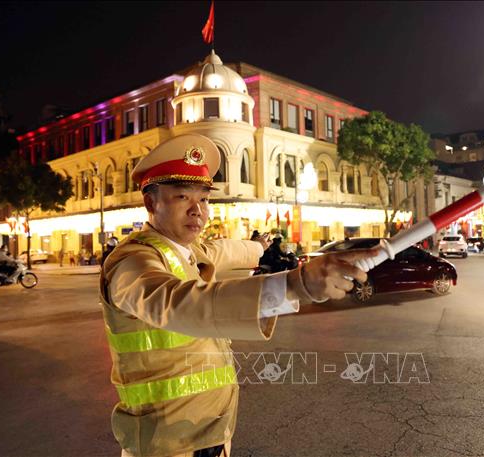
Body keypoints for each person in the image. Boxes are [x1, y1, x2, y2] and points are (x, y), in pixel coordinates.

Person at [101, 134, 377, 457]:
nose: (198, 211)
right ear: (152, 203)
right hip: (165, 445)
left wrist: (258, 246)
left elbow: (223, 250)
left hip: (212, 435)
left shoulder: (189, 251)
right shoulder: (134, 263)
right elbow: (183, 303)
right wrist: (294, 285)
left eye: (204, 199)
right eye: (182, 198)